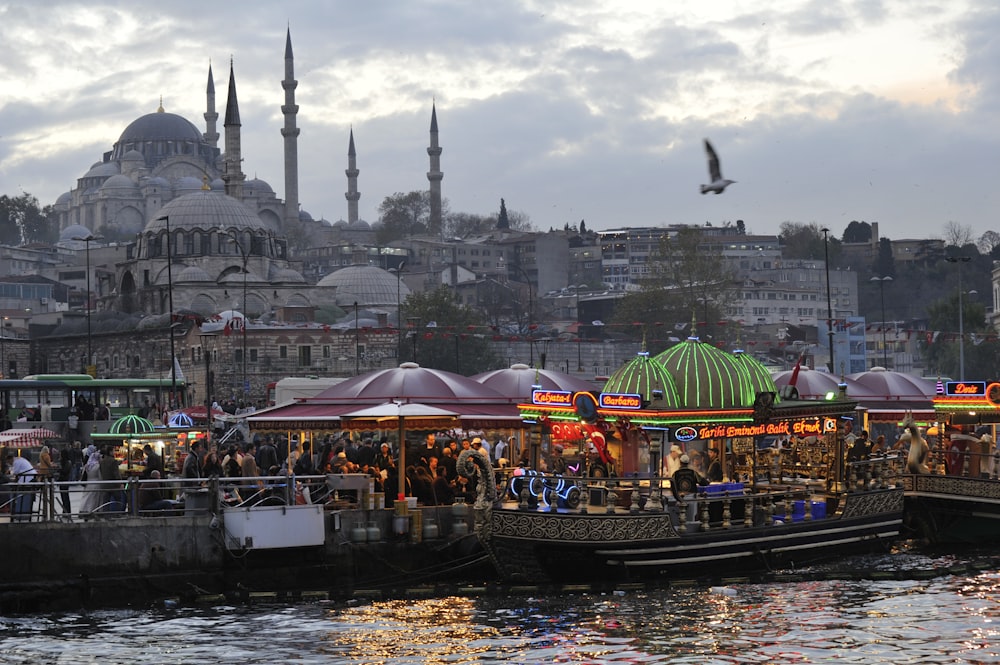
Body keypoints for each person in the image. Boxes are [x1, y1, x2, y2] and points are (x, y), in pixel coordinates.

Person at [10, 453, 36, 521]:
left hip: (27, 479)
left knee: (22, 495)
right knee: (26, 496)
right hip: (30, 478)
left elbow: (15, 472)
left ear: (10, 459)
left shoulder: (16, 462)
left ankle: (20, 513)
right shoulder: (20, 460)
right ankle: (25, 513)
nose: (9, 463)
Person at [79, 450, 103, 516]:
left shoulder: (87, 465)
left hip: (88, 482)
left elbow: (83, 474)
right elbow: (100, 476)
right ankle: (92, 510)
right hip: (96, 483)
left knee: (86, 497)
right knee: (93, 498)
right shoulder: (97, 466)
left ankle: (83, 509)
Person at [57, 443, 73, 517]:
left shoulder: (67, 462)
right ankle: (65, 510)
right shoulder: (64, 462)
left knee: (65, 497)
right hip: (63, 481)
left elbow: (65, 471)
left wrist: (59, 470)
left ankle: (67, 511)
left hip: (64, 480)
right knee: (64, 497)